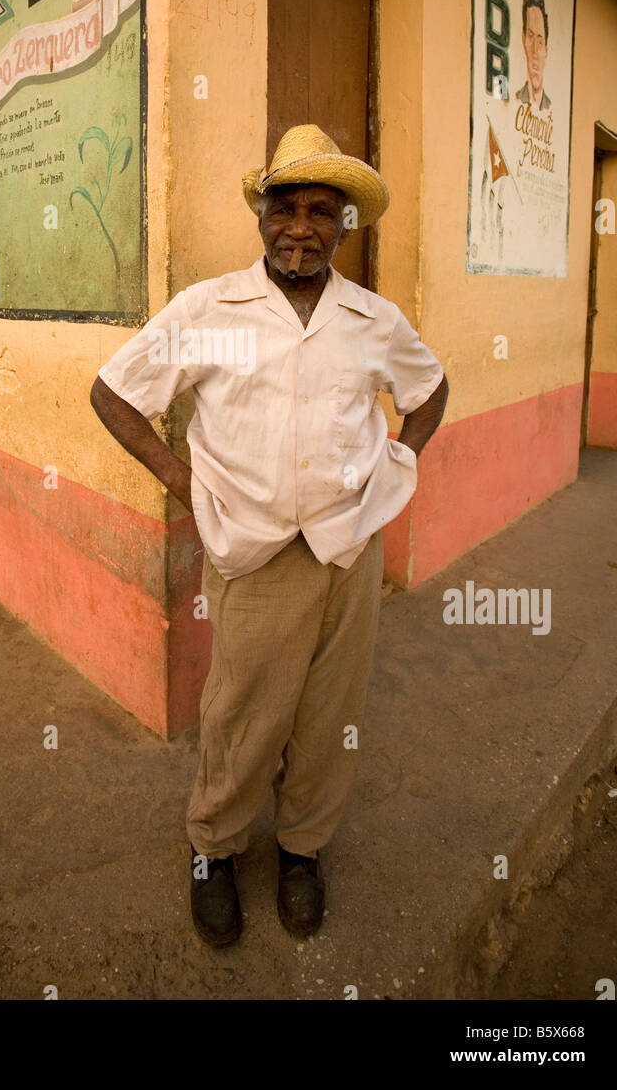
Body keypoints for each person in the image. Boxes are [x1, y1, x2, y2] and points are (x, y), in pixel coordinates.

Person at [90, 124, 448, 947]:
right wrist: (183, 480)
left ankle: (303, 851)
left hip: (350, 549)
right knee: (244, 714)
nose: (300, 227)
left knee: (330, 714)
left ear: (343, 227)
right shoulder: (212, 309)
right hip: (254, 554)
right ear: (261, 217)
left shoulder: (371, 319)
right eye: (285, 207)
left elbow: (429, 390)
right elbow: (115, 392)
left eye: (322, 211)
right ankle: (212, 851)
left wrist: (398, 460)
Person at [515, 0, 551, 110]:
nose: (535, 51)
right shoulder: (515, 98)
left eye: (540, 41)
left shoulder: (550, 107)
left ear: (546, 51)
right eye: (531, 37)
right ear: (524, 40)